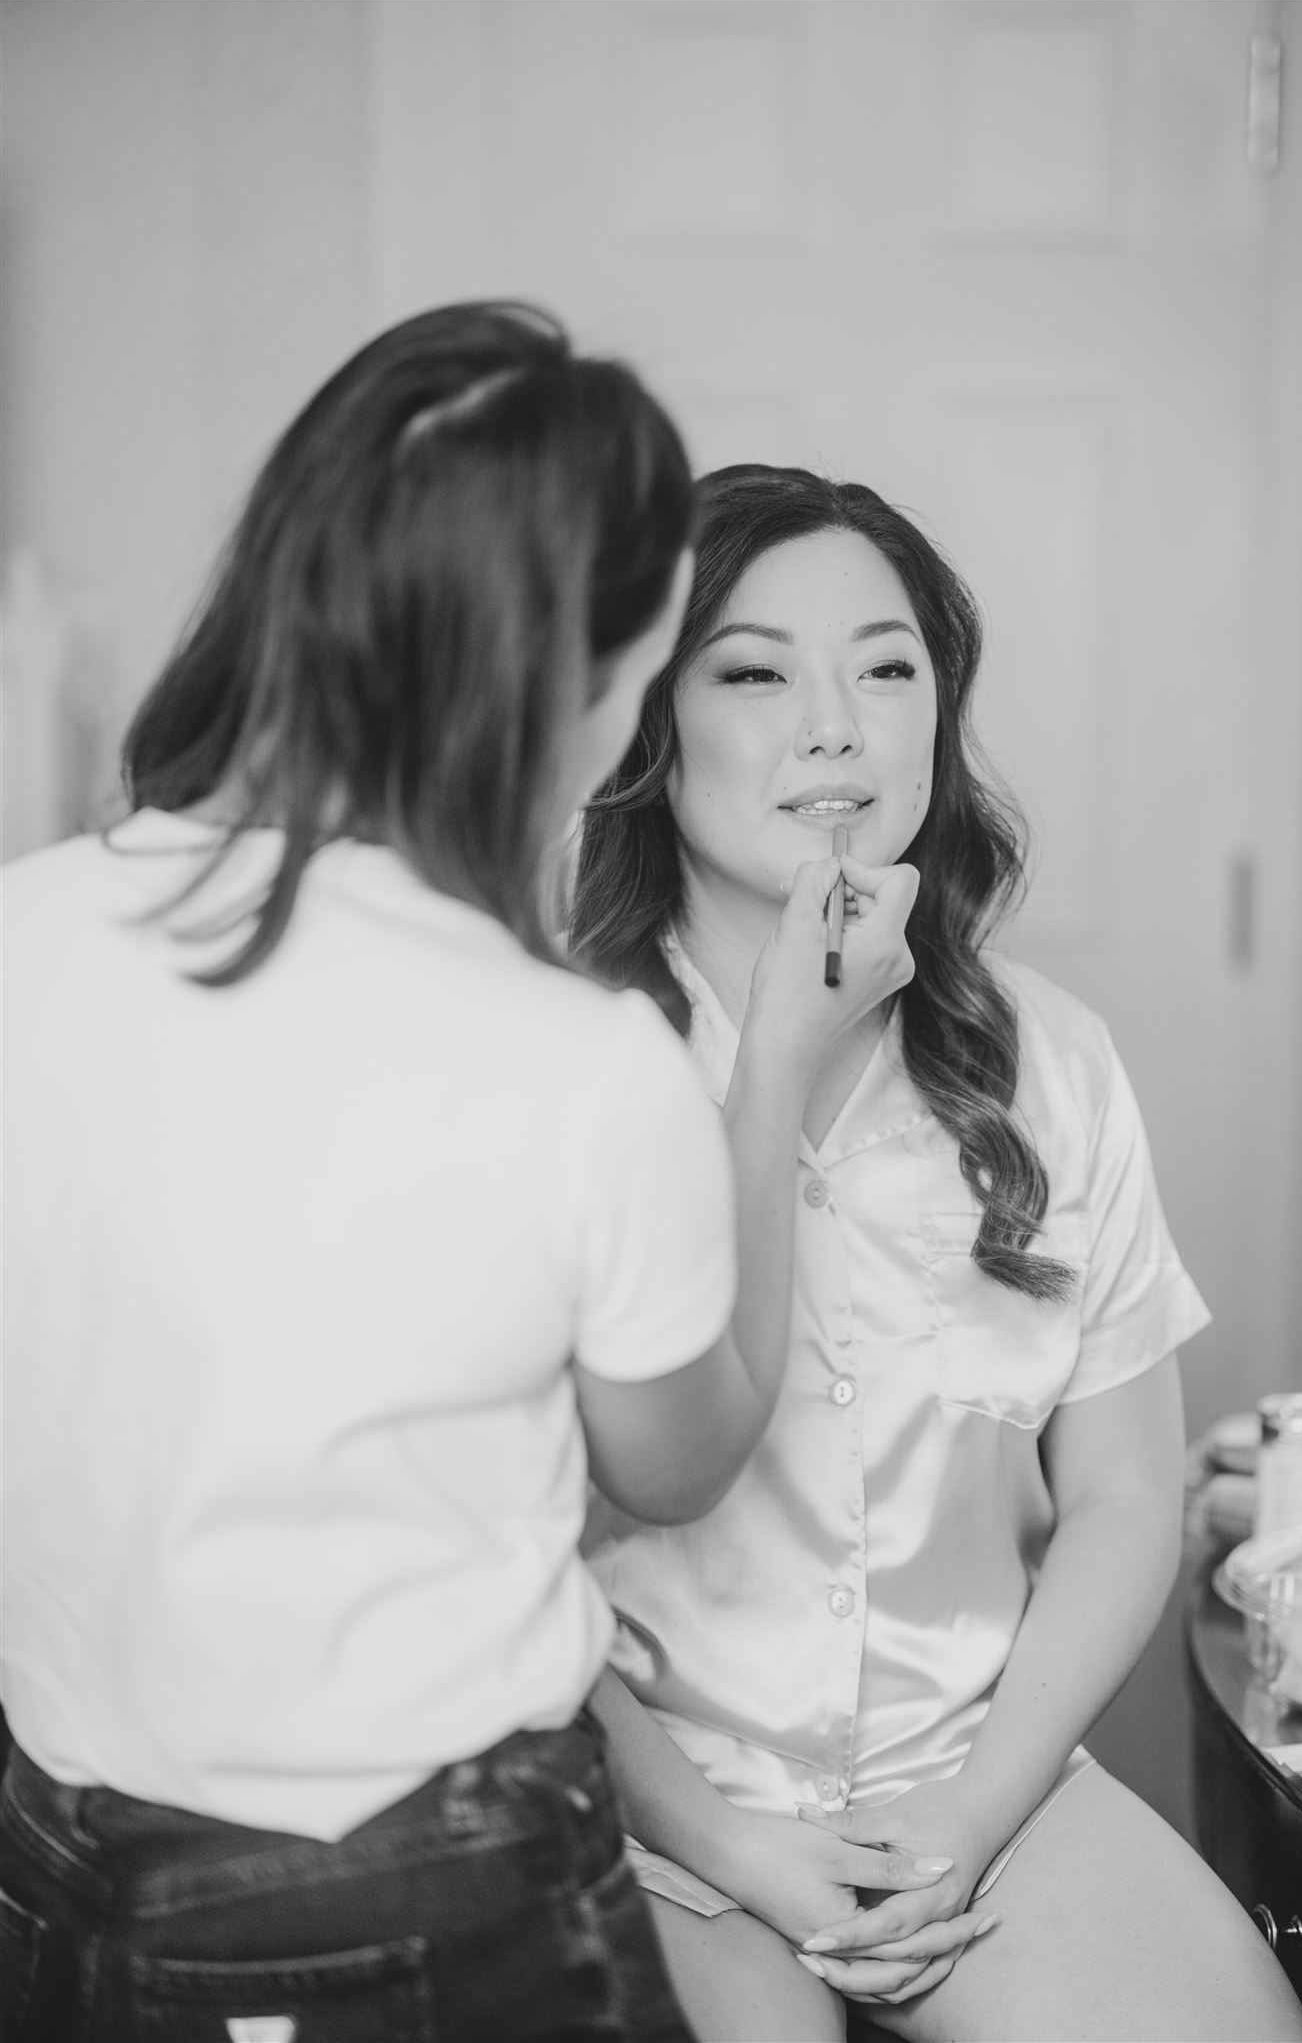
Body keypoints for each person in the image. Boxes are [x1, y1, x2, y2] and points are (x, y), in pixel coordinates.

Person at [0, 314, 952, 2043]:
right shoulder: (572, 1064)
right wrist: (782, 1069)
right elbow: (677, 1462)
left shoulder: (26, 935)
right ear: (578, 691)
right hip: (426, 1891)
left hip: (53, 1861)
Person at [570, 465, 1302, 2042]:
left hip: (970, 1777)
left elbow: (1123, 1499)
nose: (834, 725)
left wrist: (970, 1819)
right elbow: (497, 1565)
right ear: (653, 721)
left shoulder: (1055, 1061)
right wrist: (722, 1842)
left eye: (888, 666)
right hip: (656, 1802)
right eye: (756, 669)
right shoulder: (557, 1063)